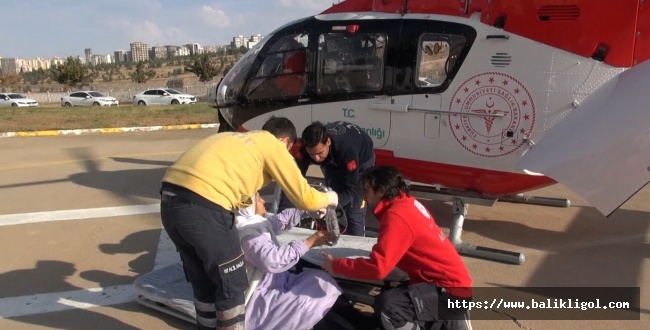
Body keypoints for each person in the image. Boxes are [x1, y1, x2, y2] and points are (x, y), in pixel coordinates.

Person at [159, 116, 339, 330]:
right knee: (231, 284)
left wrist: (302, 213)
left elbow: (264, 212)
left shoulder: (236, 141)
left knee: (205, 283)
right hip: (205, 206)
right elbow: (306, 197)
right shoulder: (272, 146)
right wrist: (330, 199)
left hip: (170, 202)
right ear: (286, 142)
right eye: (289, 151)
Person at [321, 166, 473, 330]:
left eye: (367, 190)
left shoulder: (397, 215)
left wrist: (336, 265)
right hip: (453, 287)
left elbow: (378, 268)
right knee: (391, 293)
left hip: (449, 294)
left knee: (387, 307)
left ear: (381, 190)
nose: (364, 195)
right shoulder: (408, 203)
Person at [233, 192, 343, 330]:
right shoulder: (249, 235)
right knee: (309, 304)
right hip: (264, 295)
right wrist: (310, 242)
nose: (262, 201)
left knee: (322, 282)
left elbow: (280, 221)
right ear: (249, 206)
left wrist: (307, 209)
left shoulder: (255, 223)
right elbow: (273, 261)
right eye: (258, 199)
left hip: (279, 282)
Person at [279, 121, 375, 237]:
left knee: (353, 212)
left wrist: (327, 204)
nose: (316, 158)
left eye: (319, 153)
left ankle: (356, 242)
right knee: (331, 197)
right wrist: (282, 216)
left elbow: (351, 191)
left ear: (328, 142)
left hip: (361, 162)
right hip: (332, 160)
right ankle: (335, 232)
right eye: (311, 154)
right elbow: (292, 181)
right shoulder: (306, 150)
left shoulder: (347, 150)